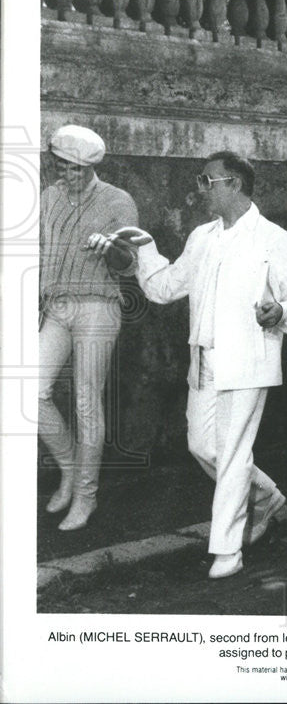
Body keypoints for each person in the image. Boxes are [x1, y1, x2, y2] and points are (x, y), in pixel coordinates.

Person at [88, 152, 287, 578]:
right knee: (202, 446)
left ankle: (228, 549)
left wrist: (280, 311)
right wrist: (143, 252)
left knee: (231, 454)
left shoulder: (272, 238)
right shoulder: (202, 237)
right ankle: (265, 498)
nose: (201, 188)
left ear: (236, 184)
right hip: (204, 359)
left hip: (248, 360)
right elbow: (166, 286)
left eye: (208, 181)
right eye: (202, 180)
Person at [38, 125, 140, 531]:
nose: (68, 175)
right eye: (61, 167)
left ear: (92, 166)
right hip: (57, 307)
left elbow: (130, 265)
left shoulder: (118, 201)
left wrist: (112, 249)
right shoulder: (48, 197)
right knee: (28, 392)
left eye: (76, 168)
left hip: (99, 308)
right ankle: (69, 467)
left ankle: (86, 495)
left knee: (86, 402)